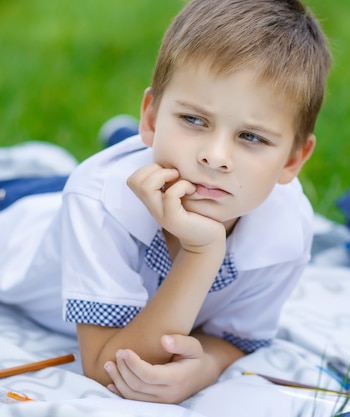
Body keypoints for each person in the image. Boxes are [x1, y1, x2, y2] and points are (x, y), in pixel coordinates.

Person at [0, 0, 331, 404]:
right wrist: (201, 251)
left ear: (294, 159)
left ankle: (134, 142)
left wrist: (207, 366)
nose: (216, 156)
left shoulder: (286, 228)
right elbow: (109, 369)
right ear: (152, 116)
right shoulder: (99, 203)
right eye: (194, 120)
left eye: (251, 137)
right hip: (18, 217)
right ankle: (121, 149)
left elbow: (236, 338)